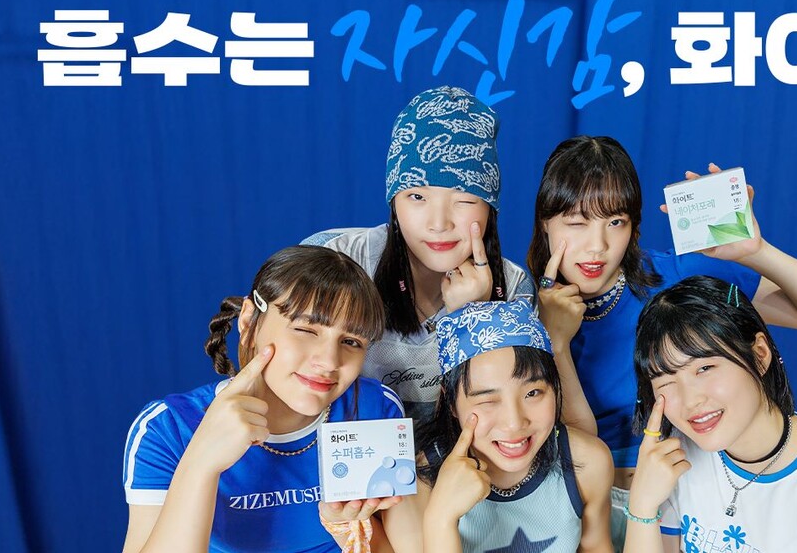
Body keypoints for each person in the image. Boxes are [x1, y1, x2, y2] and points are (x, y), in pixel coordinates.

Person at [526, 135, 797, 548]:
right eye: (577, 223)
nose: (597, 246)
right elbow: (576, 438)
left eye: (615, 222)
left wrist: (757, 252)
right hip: (578, 511)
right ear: (545, 222)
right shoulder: (519, 311)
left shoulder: (673, 280)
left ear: (634, 226)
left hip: (687, 503)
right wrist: (554, 342)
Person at [122, 246, 419, 553]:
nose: (329, 361)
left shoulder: (374, 409)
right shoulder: (168, 428)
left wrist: (345, 528)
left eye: (351, 341)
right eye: (305, 330)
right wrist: (200, 463)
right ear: (249, 320)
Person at [303, 86, 533, 426]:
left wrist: (474, 318)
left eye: (464, 200)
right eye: (417, 197)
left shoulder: (512, 289)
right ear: (393, 202)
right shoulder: (336, 258)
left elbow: (506, 422)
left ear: (490, 207)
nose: (439, 224)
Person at [626, 276, 797, 552]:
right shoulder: (672, 460)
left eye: (705, 369)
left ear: (760, 354)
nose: (690, 401)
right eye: (666, 381)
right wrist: (642, 505)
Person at [417, 299, 613, 553]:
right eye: (488, 400)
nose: (514, 423)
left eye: (532, 393)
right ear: (451, 403)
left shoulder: (586, 462)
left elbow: (597, 546)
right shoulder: (421, 481)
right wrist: (440, 519)